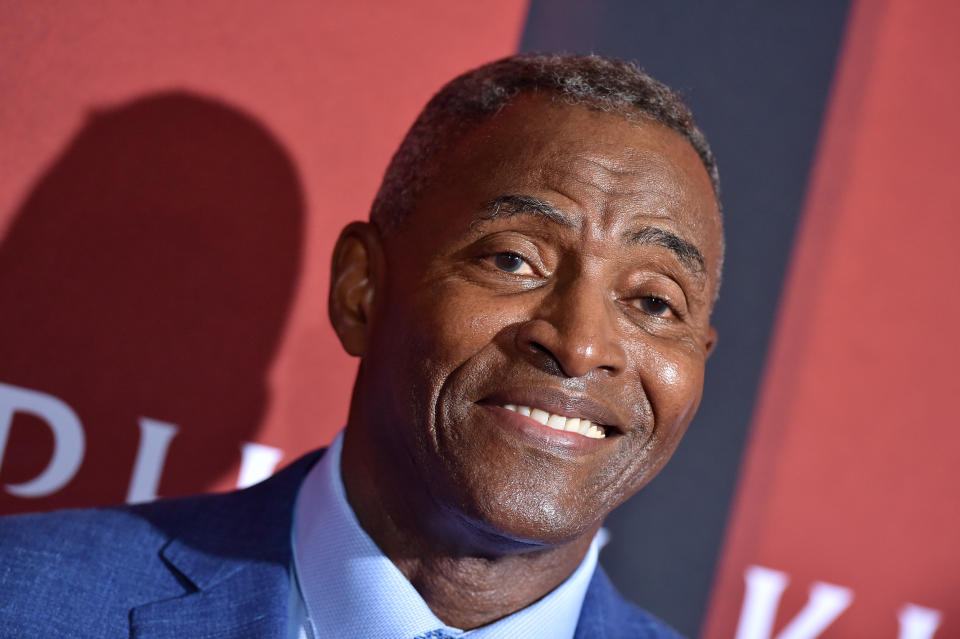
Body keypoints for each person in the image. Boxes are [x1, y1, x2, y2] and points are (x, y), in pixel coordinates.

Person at [0, 54, 722, 638]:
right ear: (361, 289)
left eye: (654, 301)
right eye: (512, 260)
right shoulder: (22, 601)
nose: (580, 343)